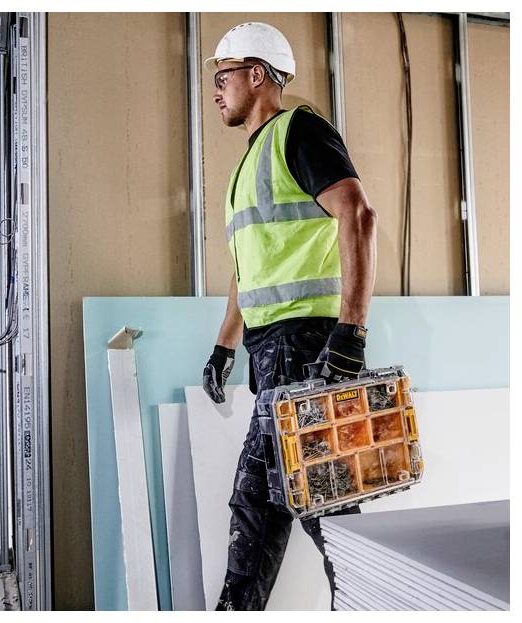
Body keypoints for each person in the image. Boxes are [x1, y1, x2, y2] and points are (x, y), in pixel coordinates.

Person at [201, 22, 378, 611]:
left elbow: (357, 214)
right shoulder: (248, 165)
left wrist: (351, 332)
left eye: (223, 77)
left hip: (309, 347)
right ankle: (371, 596)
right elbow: (248, 269)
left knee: (270, 501)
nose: (217, 89)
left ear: (258, 76)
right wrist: (225, 346)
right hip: (273, 350)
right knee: (307, 501)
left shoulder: (297, 132)